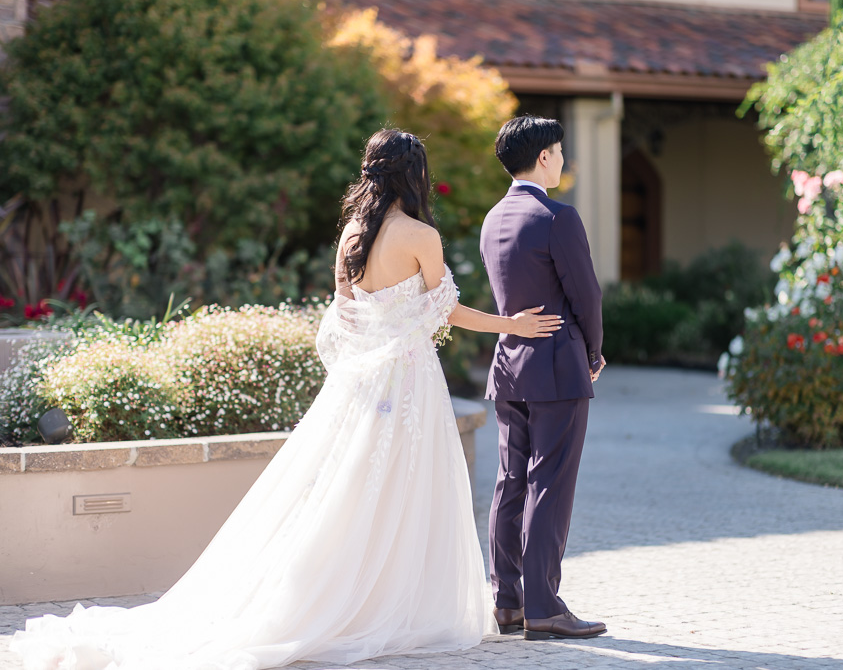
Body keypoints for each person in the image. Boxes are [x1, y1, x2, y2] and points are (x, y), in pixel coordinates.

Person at [9, 129, 563, 669]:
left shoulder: (352, 234)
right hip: (409, 381)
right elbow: (446, 311)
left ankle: (340, 596)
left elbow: (344, 313)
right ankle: (386, 603)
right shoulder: (421, 236)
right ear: (413, 176)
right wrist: (510, 323)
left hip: (360, 383)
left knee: (342, 487)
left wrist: (375, 350)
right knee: (403, 486)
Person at [480, 115, 607, 641]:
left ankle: (506, 601)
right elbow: (586, 293)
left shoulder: (492, 218)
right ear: (544, 157)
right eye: (558, 150)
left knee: (511, 481)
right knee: (549, 482)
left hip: (508, 367)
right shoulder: (558, 216)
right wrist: (594, 351)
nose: (562, 160)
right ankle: (544, 606)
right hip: (557, 366)